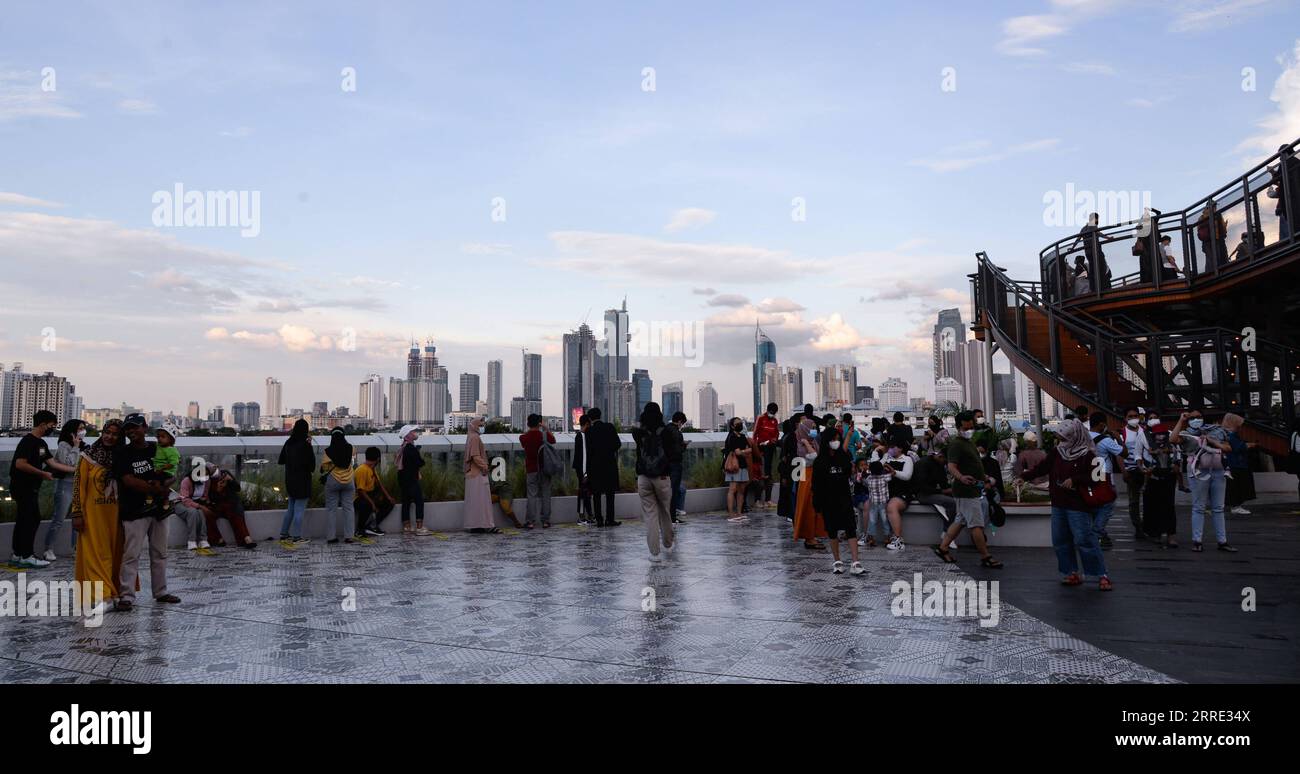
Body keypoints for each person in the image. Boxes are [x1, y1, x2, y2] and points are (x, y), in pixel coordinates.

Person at [1014, 419, 1109, 590]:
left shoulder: (1089, 454)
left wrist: (1075, 480)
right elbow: (1042, 468)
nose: (1061, 442)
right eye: (1060, 438)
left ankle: (1100, 574)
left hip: (1078, 504)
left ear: (1075, 437)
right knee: (1060, 539)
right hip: (1059, 502)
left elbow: (1097, 477)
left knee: (1084, 539)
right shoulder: (1057, 452)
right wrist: (1024, 477)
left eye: (1064, 438)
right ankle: (1070, 572)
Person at [115, 413, 181, 611]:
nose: (131, 431)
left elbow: (172, 472)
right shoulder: (123, 453)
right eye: (128, 429)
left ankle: (161, 591)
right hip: (134, 510)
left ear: (145, 428)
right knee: (131, 554)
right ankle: (127, 595)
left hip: (159, 510)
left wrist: (165, 485)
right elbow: (127, 480)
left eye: (135, 427)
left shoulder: (157, 448)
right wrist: (154, 489)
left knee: (160, 552)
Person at [934, 412, 1004, 569]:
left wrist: (985, 477)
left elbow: (974, 465)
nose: (970, 430)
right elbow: (951, 466)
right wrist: (961, 478)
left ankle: (943, 548)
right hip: (966, 491)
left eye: (971, 427)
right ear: (959, 427)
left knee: (960, 520)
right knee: (976, 525)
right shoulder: (957, 444)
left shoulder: (969, 442)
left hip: (972, 489)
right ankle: (986, 556)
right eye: (966, 428)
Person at [71, 419, 124, 612]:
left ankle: (117, 593)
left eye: (115, 434)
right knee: (96, 555)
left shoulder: (122, 458)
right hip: (93, 515)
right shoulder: (88, 456)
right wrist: (77, 512)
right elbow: (78, 486)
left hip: (117, 516)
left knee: (116, 555)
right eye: (107, 432)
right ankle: (104, 597)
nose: (110, 437)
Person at [1172, 409, 1235, 553]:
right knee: (1198, 507)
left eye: (1199, 417)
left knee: (1219, 508)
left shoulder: (1215, 431)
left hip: (1218, 470)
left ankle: (1222, 541)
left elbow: (1228, 447)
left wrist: (1212, 442)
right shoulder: (1186, 434)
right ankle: (1197, 541)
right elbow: (1173, 439)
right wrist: (1181, 420)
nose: (1196, 419)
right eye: (1192, 417)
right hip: (1198, 471)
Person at [813, 427, 865, 575]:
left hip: (844, 497)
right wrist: (817, 504)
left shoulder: (842, 457)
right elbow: (816, 485)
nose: (835, 442)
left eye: (837, 439)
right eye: (833, 439)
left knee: (850, 528)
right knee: (832, 530)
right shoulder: (820, 461)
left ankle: (855, 562)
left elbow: (849, 471)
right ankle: (837, 561)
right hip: (828, 500)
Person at [8, 409, 57, 568]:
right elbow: (20, 464)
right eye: (51, 425)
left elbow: (50, 461)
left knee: (25, 519)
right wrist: (42, 473)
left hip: (31, 487)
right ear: (42, 425)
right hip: (22, 487)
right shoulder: (27, 442)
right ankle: (26, 555)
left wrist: (74, 470)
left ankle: (18, 554)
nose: (52, 429)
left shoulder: (41, 444)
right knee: (31, 519)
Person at [632, 402, 679, 562]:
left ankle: (654, 553)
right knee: (665, 511)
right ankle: (668, 543)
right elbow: (673, 453)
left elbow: (637, 438)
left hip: (643, 477)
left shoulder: (638, 433)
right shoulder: (665, 432)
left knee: (650, 515)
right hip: (662, 477)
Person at [44, 419, 85, 560]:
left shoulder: (82, 445)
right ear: (72, 431)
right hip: (65, 485)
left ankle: (76, 548)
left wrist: (78, 446)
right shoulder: (64, 445)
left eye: (83, 428)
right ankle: (48, 549)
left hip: (78, 485)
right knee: (59, 518)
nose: (82, 431)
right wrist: (75, 447)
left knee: (77, 518)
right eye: (80, 428)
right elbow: (69, 462)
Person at [1088, 412, 1125, 549]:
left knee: (1093, 507)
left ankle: (1098, 533)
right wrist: (1118, 438)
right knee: (1107, 505)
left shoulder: (1083, 438)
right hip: (1104, 477)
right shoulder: (1106, 440)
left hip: (1088, 477)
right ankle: (1098, 532)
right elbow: (1124, 453)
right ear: (1102, 424)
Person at [793, 405, 826, 549]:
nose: (814, 429)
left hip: (814, 478)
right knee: (808, 508)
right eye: (812, 427)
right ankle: (809, 537)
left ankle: (813, 535)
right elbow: (813, 457)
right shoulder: (802, 443)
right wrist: (807, 443)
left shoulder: (813, 442)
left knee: (815, 508)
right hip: (807, 479)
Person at [277, 418, 315, 542]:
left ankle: (283, 533)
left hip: (290, 479)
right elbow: (312, 466)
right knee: (299, 510)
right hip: (302, 481)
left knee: (291, 508)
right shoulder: (305, 445)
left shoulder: (289, 442)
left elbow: (281, 460)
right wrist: (309, 445)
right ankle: (297, 537)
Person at [872, 444, 914, 552]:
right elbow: (874, 467)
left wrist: (893, 472)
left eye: (894, 446)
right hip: (885, 492)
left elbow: (907, 476)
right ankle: (868, 536)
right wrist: (876, 451)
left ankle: (898, 540)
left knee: (891, 506)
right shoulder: (886, 458)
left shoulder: (907, 459)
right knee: (868, 504)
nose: (890, 449)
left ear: (900, 448)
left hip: (901, 492)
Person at [583, 407, 622, 527]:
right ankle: (610, 519)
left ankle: (599, 519)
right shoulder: (609, 427)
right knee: (610, 494)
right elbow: (618, 444)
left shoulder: (589, 431)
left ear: (590, 418)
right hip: (609, 464)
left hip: (595, 467)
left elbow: (588, 452)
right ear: (600, 415)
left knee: (596, 494)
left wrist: (587, 471)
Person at [320, 428, 360, 541]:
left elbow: (324, 467)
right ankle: (349, 536)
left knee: (331, 510)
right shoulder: (350, 447)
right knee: (348, 508)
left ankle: (331, 537)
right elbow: (352, 456)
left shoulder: (328, 451)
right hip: (348, 481)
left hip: (333, 481)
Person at [912, 446, 958, 545]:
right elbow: (922, 486)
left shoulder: (940, 465)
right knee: (951, 503)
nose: (946, 464)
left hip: (933, 492)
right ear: (941, 456)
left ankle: (947, 531)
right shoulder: (923, 464)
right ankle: (947, 532)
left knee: (958, 499)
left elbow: (944, 483)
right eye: (945, 462)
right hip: (923, 494)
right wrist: (942, 491)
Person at [1141, 429, 1179, 548]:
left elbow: (1177, 459)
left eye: (1163, 434)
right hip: (1153, 477)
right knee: (1155, 507)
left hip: (1168, 477)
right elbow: (1143, 458)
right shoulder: (1147, 443)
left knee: (1169, 506)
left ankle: (1171, 534)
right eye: (1158, 434)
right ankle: (1156, 533)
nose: (1160, 436)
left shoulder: (1172, 444)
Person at [204, 468, 257, 548]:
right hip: (218, 505)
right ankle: (218, 539)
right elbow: (211, 498)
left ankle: (246, 539)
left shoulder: (225, 473)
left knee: (235, 515)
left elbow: (237, 488)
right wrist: (219, 489)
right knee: (208, 515)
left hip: (232, 503)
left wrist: (231, 480)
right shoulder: (208, 480)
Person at [519, 414, 556, 529]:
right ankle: (545, 521)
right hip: (545, 469)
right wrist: (545, 428)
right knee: (546, 494)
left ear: (528, 423)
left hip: (531, 469)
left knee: (532, 495)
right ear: (539, 423)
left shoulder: (524, 437)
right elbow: (553, 440)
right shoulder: (544, 435)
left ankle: (530, 521)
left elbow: (525, 441)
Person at [1119, 407, 1152, 532]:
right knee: (1134, 501)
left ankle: (1148, 525)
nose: (1133, 419)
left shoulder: (1146, 431)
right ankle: (1138, 527)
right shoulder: (1123, 433)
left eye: (1135, 416)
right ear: (1125, 418)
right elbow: (1119, 453)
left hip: (1147, 470)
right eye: (1130, 416)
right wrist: (1124, 471)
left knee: (1149, 499)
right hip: (1131, 470)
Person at [462, 419, 499, 533]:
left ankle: (476, 525)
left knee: (475, 501)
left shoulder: (470, 437)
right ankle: (487, 525)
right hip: (477, 473)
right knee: (483, 501)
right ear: (475, 426)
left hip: (472, 474)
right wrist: (485, 466)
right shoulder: (475, 438)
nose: (482, 427)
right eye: (480, 425)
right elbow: (475, 456)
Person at [396, 425, 431, 536]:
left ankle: (407, 527)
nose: (415, 433)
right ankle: (419, 527)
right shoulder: (411, 448)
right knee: (419, 501)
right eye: (413, 431)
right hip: (411, 479)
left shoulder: (403, 447)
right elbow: (420, 462)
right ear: (408, 435)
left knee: (406, 502)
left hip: (403, 479)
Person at [356, 446, 397, 536]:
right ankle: (360, 529)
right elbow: (360, 490)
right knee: (366, 505)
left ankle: (372, 526)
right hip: (359, 497)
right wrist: (372, 503)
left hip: (369, 495)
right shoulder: (362, 469)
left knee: (389, 504)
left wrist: (389, 497)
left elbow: (379, 484)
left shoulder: (372, 469)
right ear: (378, 459)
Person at [1221, 413, 1256, 516]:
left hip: (1232, 464)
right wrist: (1248, 445)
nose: (1239, 426)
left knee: (1234, 486)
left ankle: (1234, 505)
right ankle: (1236, 506)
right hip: (1235, 464)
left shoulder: (1225, 433)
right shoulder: (1230, 435)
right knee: (1237, 486)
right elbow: (1237, 447)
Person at [175, 463, 214, 552]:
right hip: (182, 503)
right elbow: (185, 499)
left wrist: (205, 502)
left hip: (196, 503)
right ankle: (191, 540)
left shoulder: (207, 481)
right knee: (193, 512)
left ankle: (203, 540)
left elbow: (205, 496)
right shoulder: (187, 481)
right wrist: (199, 506)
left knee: (200, 512)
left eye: (206, 474)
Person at [722, 416, 751, 522]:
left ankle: (739, 512)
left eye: (740, 422)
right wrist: (744, 451)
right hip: (734, 466)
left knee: (741, 490)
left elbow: (748, 449)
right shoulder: (731, 437)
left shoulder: (743, 436)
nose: (740, 424)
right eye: (737, 423)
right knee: (732, 489)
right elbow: (739, 452)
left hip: (743, 465)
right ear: (732, 425)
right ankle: (731, 514)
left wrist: (742, 452)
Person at [753, 402, 780, 509]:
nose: (772, 414)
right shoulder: (761, 418)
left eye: (774, 412)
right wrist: (756, 449)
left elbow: (776, 433)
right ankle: (757, 500)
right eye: (771, 412)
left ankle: (768, 500)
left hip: (770, 449)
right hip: (761, 449)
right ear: (768, 410)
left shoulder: (775, 421)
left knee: (769, 474)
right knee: (761, 474)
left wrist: (775, 440)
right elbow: (755, 434)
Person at [1012, 431, 1049, 501]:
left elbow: (1018, 473)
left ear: (1026, 442)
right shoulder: (1043, 453)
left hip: (1032, 485)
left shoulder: (1023, 454)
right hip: (1045, 484)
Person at [776, 417, 799, 526]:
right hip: (793, 467)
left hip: (792, 467)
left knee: (791, 491)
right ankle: (791, 514)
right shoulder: (792, 437)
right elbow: (786, 457)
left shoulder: (787, 437)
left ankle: (790, 513)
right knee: (792, 491)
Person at [573, 413, 594, 526]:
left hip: (581, 469)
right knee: (583, 493)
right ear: (587, 424)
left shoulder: (579, 436)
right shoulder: (582, 436)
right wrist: (585, 473)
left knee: (585, 493)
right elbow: (584, 456)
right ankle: (582, 516)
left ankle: (587, 515)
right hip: (583, 470)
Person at [1194, 203, 1228, 274]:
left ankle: (1212, 273)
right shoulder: (1215, 215)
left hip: (1211, 241)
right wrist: (1224, 227)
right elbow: (1222, 229)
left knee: (1211, 259)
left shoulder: (1202, 217)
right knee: (1217, 258)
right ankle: (1218, 273)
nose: (1215, 207)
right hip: (1213, 241)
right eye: (1214, 206)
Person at [669, 411, 689, 524]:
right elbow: (678, 451)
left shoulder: (666, 430)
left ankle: (669, 515)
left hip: (665, 465)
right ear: (680, 421)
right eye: (683, 423)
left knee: (671, 491)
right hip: (675, 465)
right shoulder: (677, 433)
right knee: (674, 490)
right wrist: (684, 446)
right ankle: (672, 517)